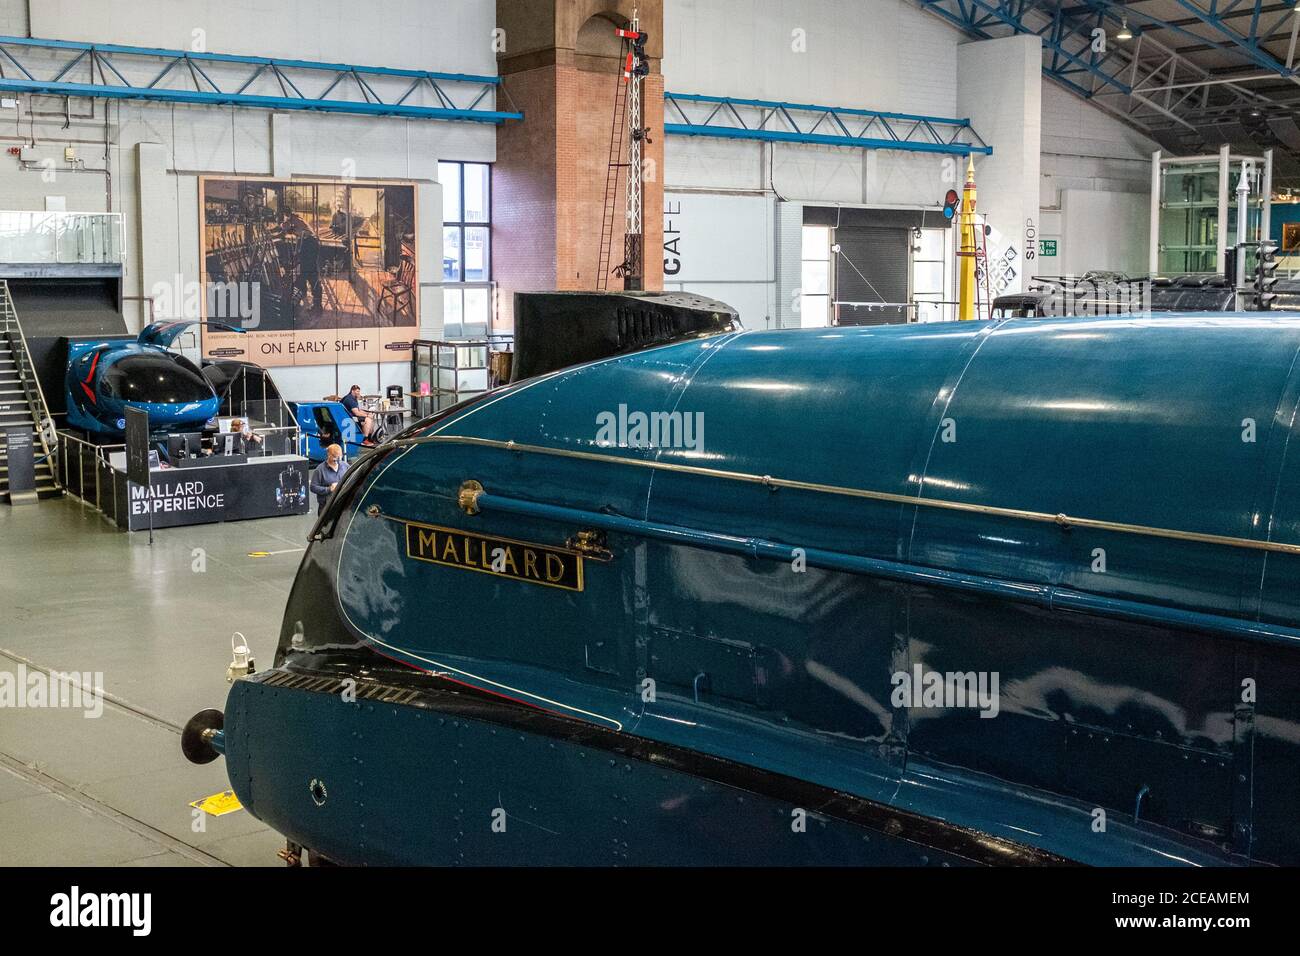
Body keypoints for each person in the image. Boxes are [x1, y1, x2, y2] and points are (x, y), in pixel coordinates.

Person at [310, 444, 348, 514]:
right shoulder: (320, 470)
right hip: (326, 507)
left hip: (343, 504)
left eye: (339, 457)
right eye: (334, 457)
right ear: (328, 454)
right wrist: (329, 489)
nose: (337, 459)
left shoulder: (345, 466)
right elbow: (313, 487)